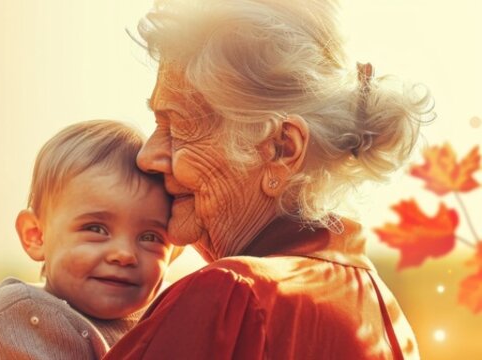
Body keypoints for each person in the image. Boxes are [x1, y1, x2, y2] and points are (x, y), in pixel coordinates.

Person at [105, 0, 432, 359]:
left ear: (281, 149)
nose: (146, 155)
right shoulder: (375, 302)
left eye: (181, 125)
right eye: (157, 124)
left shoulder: (233, 295)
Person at [0, 120, 178, 359]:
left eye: (150, 237)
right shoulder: (24, 315)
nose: (124, 254)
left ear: (174, 250)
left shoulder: (171, 310)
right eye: (96, 229)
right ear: (37, 235)